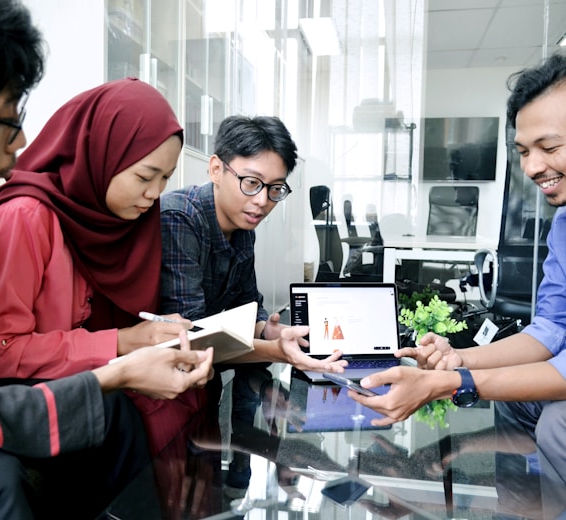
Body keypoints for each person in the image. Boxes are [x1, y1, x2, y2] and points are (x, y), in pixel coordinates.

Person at [0, 3, 212, 517]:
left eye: (164, 181)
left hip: (35, 380)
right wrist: (124, 346)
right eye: (144, 177)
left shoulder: (95, 219)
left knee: (134, 413)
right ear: (102, 154)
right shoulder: (27, 216)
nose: (154, 195)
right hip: (8, 385)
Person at [349, 53, 566, 495]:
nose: (531, 167)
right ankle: (524, 503)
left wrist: (450, 382)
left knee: (557, 425)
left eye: (549, 147)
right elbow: (552, 327)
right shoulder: (563, 223)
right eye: (523, 151)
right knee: (518, 402)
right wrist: (460, 359)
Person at [159, 115, 347, 493]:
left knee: (211, 491)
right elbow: (193, 336)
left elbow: (249, 304)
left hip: (204, 389)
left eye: (275, 189)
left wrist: (267, 327)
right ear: (216, 168)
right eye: (251, 183)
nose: (262, 201)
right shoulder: (180, 219)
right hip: (163, 391)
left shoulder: (242, 226)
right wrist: (277, 350)